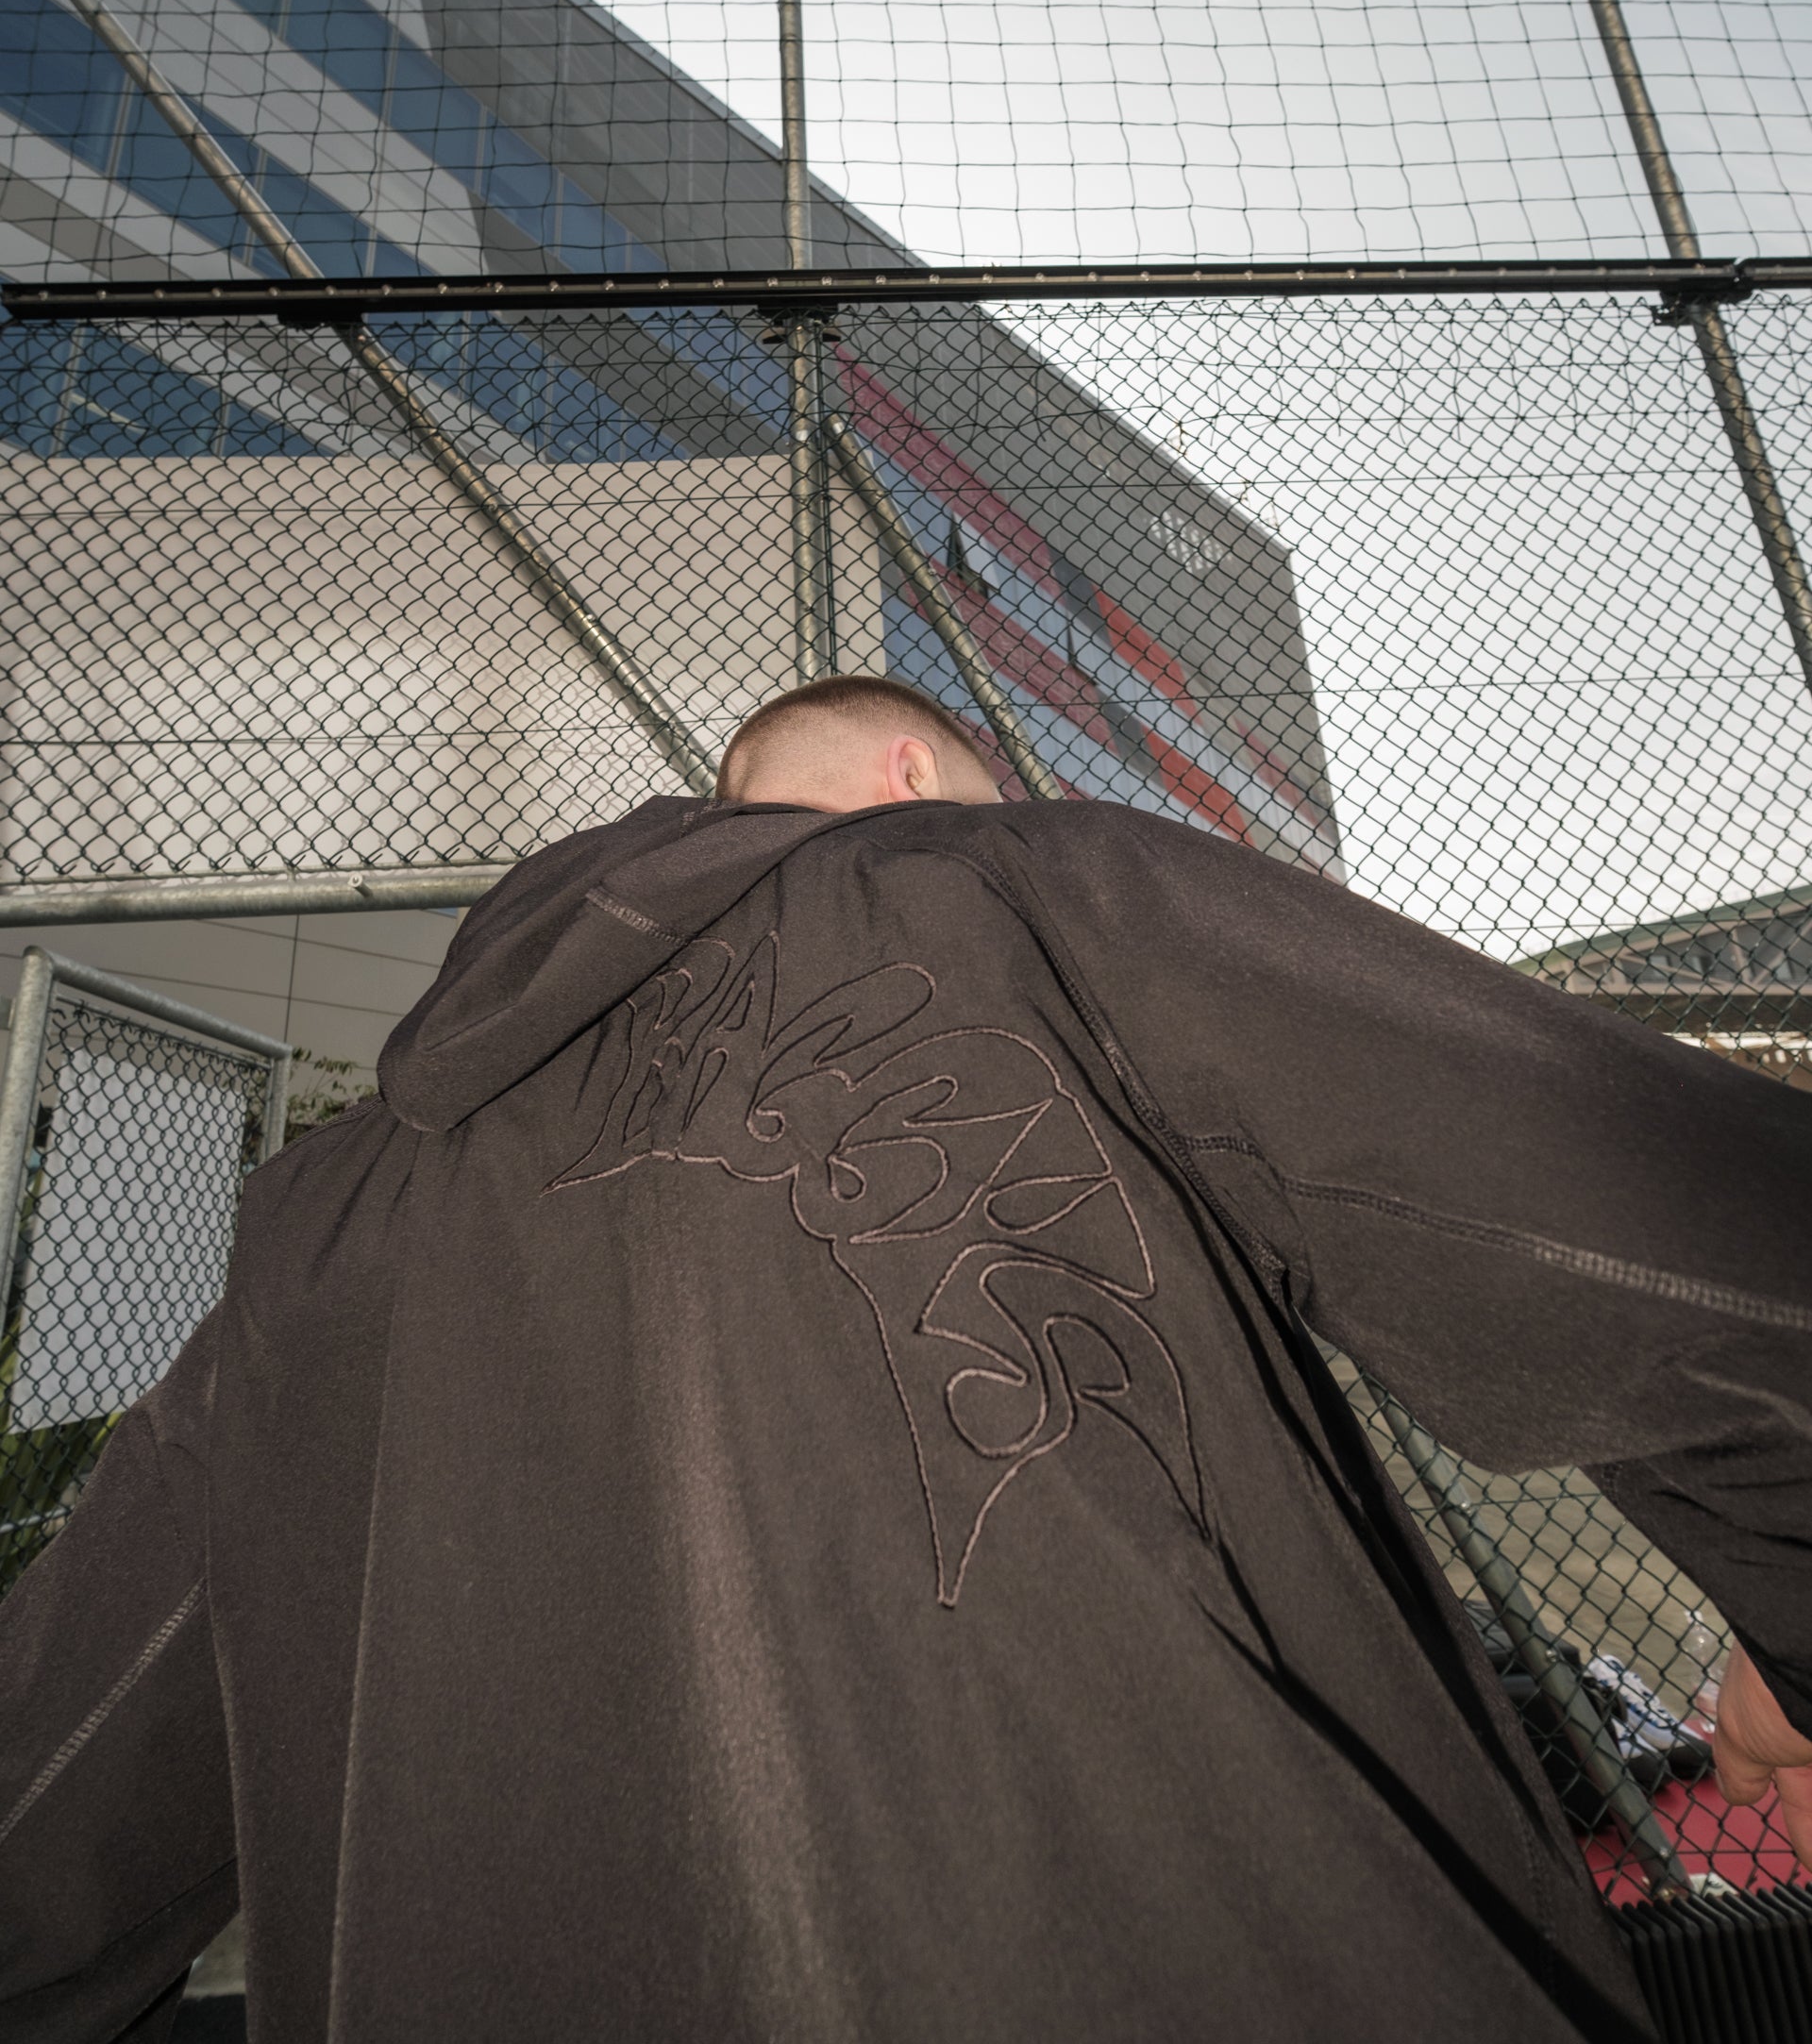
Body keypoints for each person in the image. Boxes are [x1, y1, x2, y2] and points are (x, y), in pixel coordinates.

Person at [1, 672, 1809, 2044]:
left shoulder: (317, 1221)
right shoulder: (1020, 888)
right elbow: (1685, 1249)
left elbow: (50, 1804)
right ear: (913, 775)